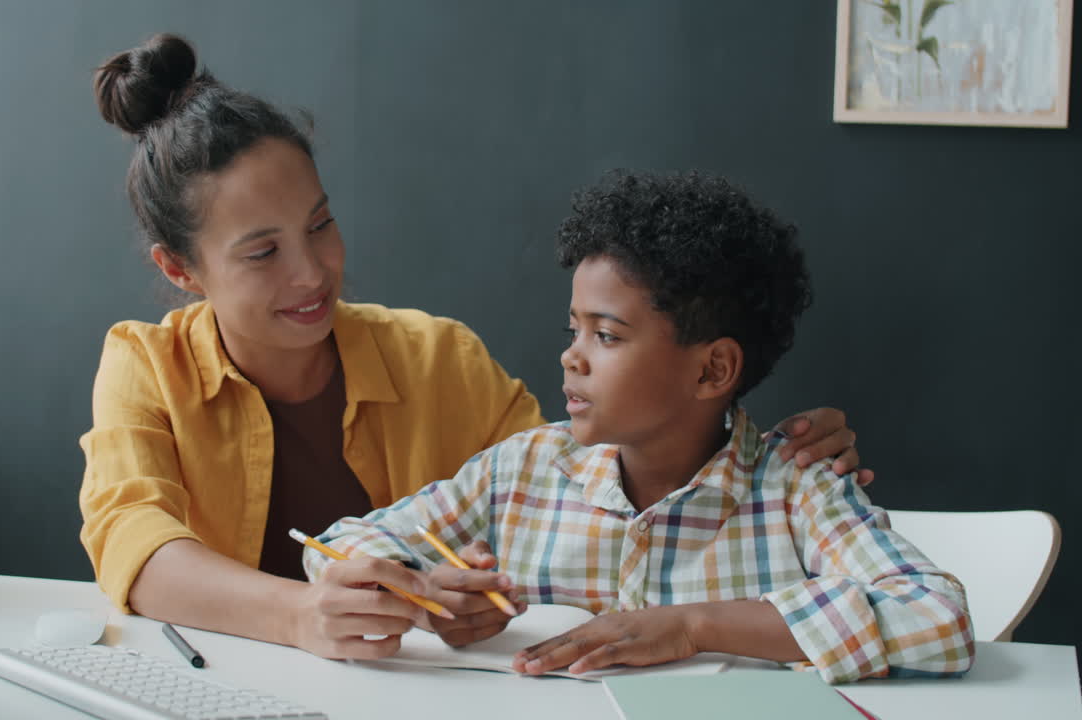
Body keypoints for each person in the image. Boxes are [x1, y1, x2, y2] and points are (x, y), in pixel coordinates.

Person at [79, 33, 869, 662]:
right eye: (262, 253)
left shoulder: (440, 359)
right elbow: (135, 546)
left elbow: (577, 492)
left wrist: (749, 450)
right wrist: (303, 615)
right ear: (180, 270)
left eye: (320, 225)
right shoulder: (145, 366)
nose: (312, 272)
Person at [303, 171, 974, 684]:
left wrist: (695, 626)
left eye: (606, 335)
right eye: (573, 329)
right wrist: (423, 594)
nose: (571, 357)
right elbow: (338, 545)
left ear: (712, 370)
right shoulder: (523, 470)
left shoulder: (798, 489)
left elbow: (937, 619)